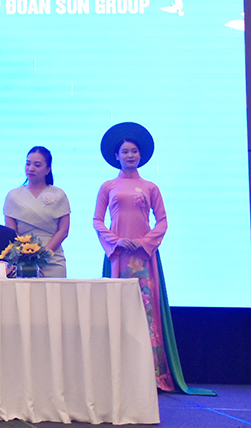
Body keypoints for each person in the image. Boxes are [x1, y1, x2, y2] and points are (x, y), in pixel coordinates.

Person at [93, 122, 213, 395]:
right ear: (116, 155)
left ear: (141, 155)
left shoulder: (151, 187)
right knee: (118, 309)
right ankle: (117, 374)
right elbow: (97, 220)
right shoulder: (107, 186)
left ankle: (153, 373)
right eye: (125, 151)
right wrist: (116, 240)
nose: (130, 155)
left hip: (144, 258)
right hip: (118, 257)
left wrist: (144, 243)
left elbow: (162, 221)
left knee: (147, 311)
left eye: (134, 151)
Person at [3, 146, 70, 278]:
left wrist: (42, 255)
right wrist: (27, 256)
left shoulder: (59, 194)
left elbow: (63, 230)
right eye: (28, 163)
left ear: (48, 169)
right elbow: (11, 231)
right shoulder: (13, 195)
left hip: (53, 259)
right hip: (22, 260)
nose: (31, 168)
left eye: (37, 165)